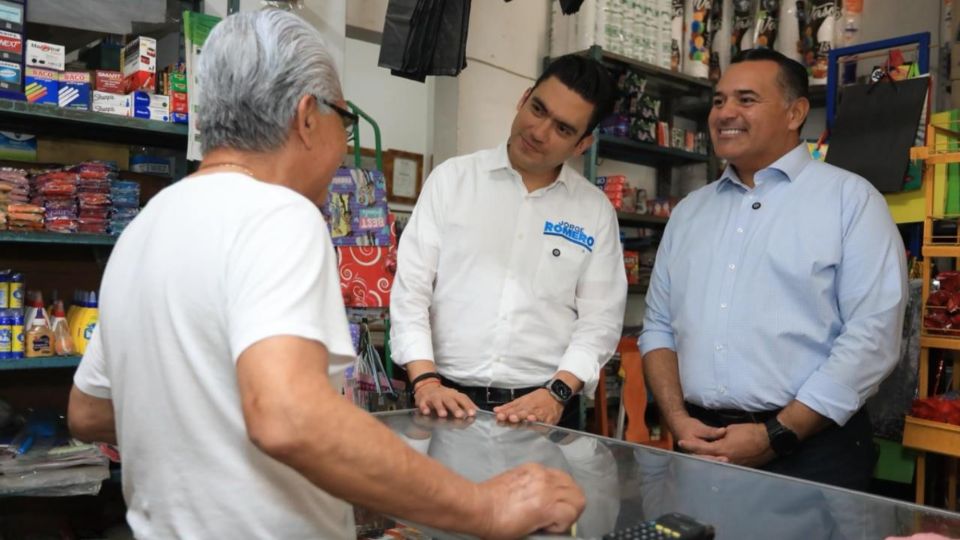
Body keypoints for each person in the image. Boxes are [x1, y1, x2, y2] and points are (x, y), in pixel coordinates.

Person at [66, 10, 585, 539]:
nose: (344, 145)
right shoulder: (279, 214)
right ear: (307, 116)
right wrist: (485, 508)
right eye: (345, 118)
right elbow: (290, 417)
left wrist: (217, 429)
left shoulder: (145, 227)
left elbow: (88, 411)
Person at [640, 48, 907, 491]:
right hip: (700, 443)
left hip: (813, 453)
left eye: (746, 100)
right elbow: (658, 328)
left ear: (795, 112)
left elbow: (872, 339)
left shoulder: (850, 202)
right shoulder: (690, 212)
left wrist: (777, 434)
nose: (725, 113)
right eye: (719, 100)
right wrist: (678, 420)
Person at [389, 54, 627, 429]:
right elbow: (411, 290)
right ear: (524, 97)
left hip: (542, 411)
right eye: (537, 109)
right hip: (442, 400)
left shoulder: (594, 211)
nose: (538, 131)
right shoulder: (452, 180)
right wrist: (424, 381)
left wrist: (558, 393)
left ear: (582, 144)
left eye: (563, 129)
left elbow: (601, 321)